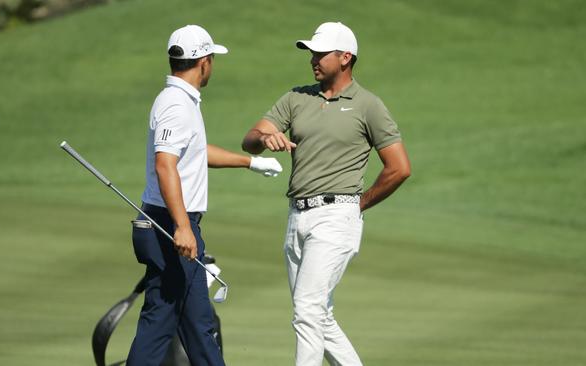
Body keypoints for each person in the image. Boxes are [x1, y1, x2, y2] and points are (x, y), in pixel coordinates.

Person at [241, 22, 411, 365]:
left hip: (337, 217)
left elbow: (399, 167)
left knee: (307, 309)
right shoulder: (297, 97)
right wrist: (264, 139)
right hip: (296, 217)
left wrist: (359, 204)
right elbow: (250, 138)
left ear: (346, 57)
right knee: (319, 314)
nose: (313, 60)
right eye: (311, 53)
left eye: (321, 53)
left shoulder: (368, 106)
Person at [127, 24, 282, 366]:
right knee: (162, 325)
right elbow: (165, 165)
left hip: (170, 222)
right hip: (170, 225)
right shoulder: (176, 105)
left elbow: (195, 152)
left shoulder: (178, 100)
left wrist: (250, 163)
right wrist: (183, 227)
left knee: (197, 325)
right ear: (205, 62)